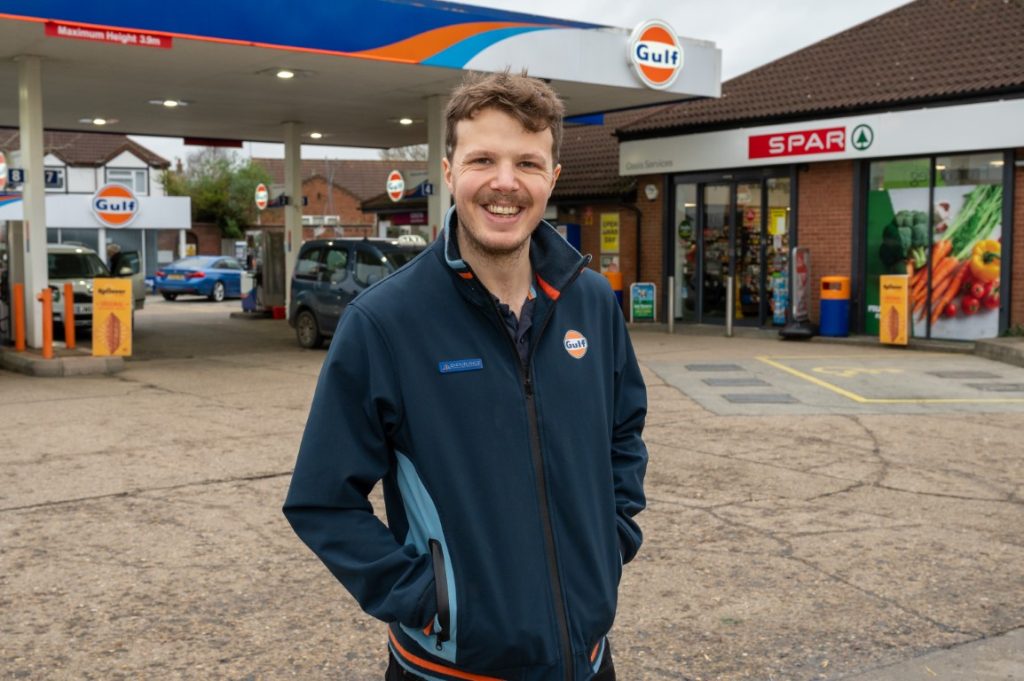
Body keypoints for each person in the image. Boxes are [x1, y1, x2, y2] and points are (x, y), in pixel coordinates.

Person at [283, 71, 648, 681]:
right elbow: (322, 500)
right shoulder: (385, 322)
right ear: (450, 171)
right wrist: (428, 602)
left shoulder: (590, 302)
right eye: (483, 159)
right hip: (450, 670)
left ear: (552, 178)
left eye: (528, 163)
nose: (505, 183)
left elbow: (623, 432)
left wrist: (612, 541)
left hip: (587, 661)